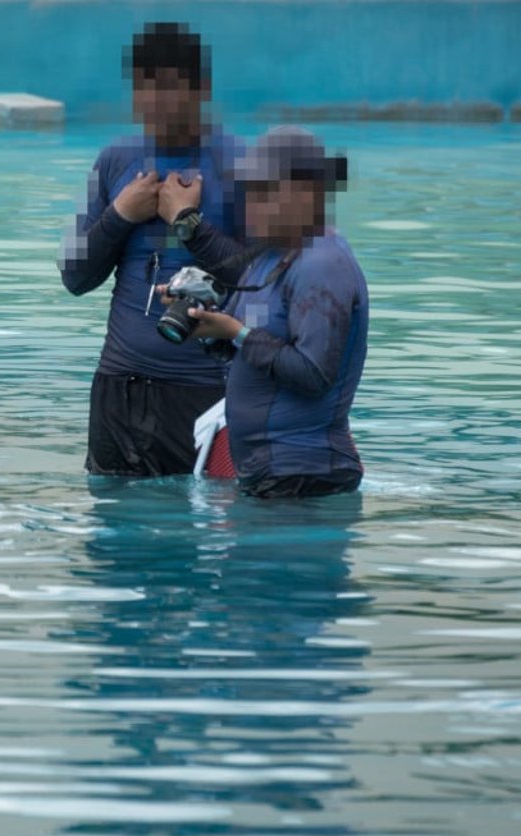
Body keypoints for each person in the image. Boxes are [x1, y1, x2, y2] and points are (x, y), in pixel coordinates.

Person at [58, 21, 245, 477]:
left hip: (204, 391)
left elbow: (260, 279)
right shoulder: (114, 161)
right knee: (114, 535)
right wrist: (121, 214)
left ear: (201, 88)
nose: (153, 102)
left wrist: (188, 222)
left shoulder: (241, 166)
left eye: (167, 88)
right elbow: (74, 277)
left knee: (197, 537)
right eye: (142, 89)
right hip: (119, 385)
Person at [158, 126, 368, 498]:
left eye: (265, 192)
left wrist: (235, 331)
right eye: (249, 191)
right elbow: (246, 350)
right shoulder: (267, 258)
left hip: (306, 479)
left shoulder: (323, 263)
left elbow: (314, 374)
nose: (250, 204)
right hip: (263, 474)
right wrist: (205, 328)